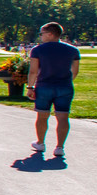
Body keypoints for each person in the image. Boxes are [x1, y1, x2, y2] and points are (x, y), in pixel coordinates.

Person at [28, 21, 81, 157]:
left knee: (42, 115)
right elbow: (74, 71)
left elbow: (33, 71)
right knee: (63, 117)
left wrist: (30, 87)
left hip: (44, 86)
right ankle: (59, 147)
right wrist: (67, 81)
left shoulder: (38, 50)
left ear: (50, 34)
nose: (40, 36)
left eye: (42, 33)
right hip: (65, 86)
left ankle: (40, 143)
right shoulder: (73, 50)